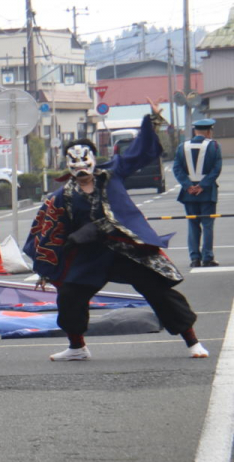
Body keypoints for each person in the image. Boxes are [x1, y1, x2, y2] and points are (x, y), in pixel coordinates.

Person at [24, 104, 208, 361]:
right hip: (90, 255)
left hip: (127, 249)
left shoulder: (113, 175)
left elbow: (139, 152)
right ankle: (77, 348)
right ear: (66, 164)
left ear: (94, 158)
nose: (80, 165)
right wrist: (48, 266)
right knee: (69, 295)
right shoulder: (62, 196)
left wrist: (152, 121)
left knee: (159, 290)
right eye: (73, 161)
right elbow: (51, 232)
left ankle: (192, 341)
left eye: (84, 158)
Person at [172, 116, 223, 268]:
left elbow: (177, 168)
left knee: (193, 225)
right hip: (207, 193)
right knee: (207, 224)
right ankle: (208, 257)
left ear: (195, 131)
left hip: (189, 194)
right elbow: (216, 169)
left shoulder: (182, 146)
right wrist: (203, 186)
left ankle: (194, 258)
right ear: (208, 132)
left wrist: (188, 186)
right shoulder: (214, 146)